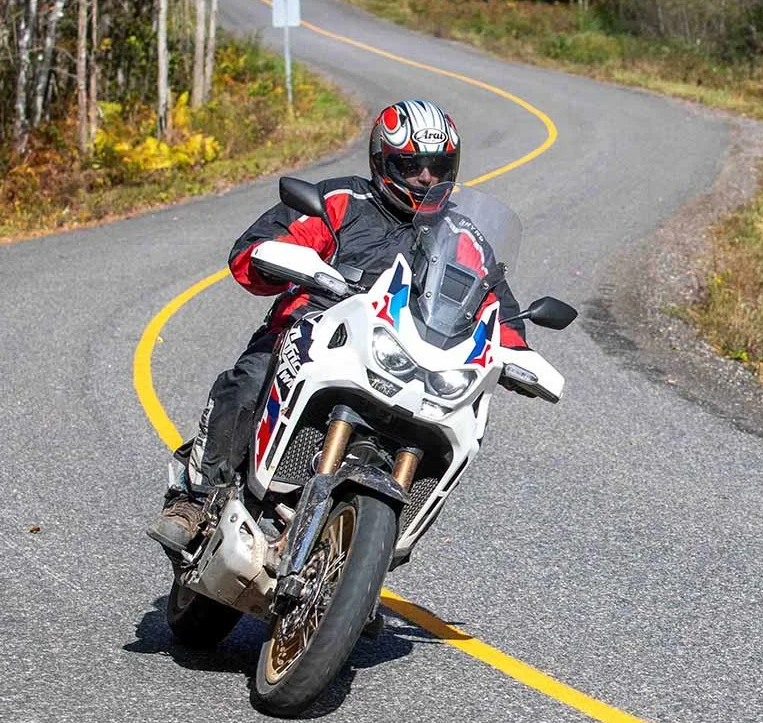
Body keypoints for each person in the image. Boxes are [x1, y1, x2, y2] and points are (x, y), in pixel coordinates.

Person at [147, 98, 526, 556]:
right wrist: (274, 259)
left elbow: (498, 306)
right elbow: (254, 250)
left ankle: (375, 550)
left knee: (456, 429)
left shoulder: (463, 237)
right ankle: (195, 496)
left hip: (405, 360)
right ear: (382, 160)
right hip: (315, 334)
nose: (426, 178)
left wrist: (518, 354)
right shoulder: (341, 201)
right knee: (249, 382)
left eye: (438, 167)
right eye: (412, 166)